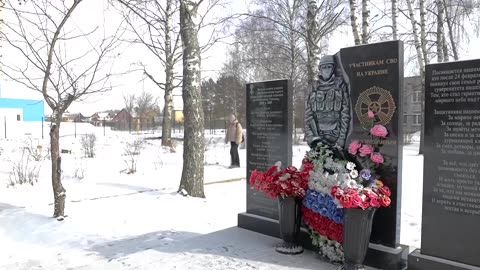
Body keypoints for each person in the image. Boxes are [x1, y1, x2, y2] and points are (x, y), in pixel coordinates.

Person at [304, 55, 351, 152]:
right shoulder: (312, 87)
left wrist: (342, 138)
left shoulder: (340, 85)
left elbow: (345, 113)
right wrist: (310, 136)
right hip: (317, 136)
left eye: (329, 66)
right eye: (323, 67)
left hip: (336, 135)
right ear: (320, 69)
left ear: (333, 68)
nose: (326, 70)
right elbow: (308, 115)